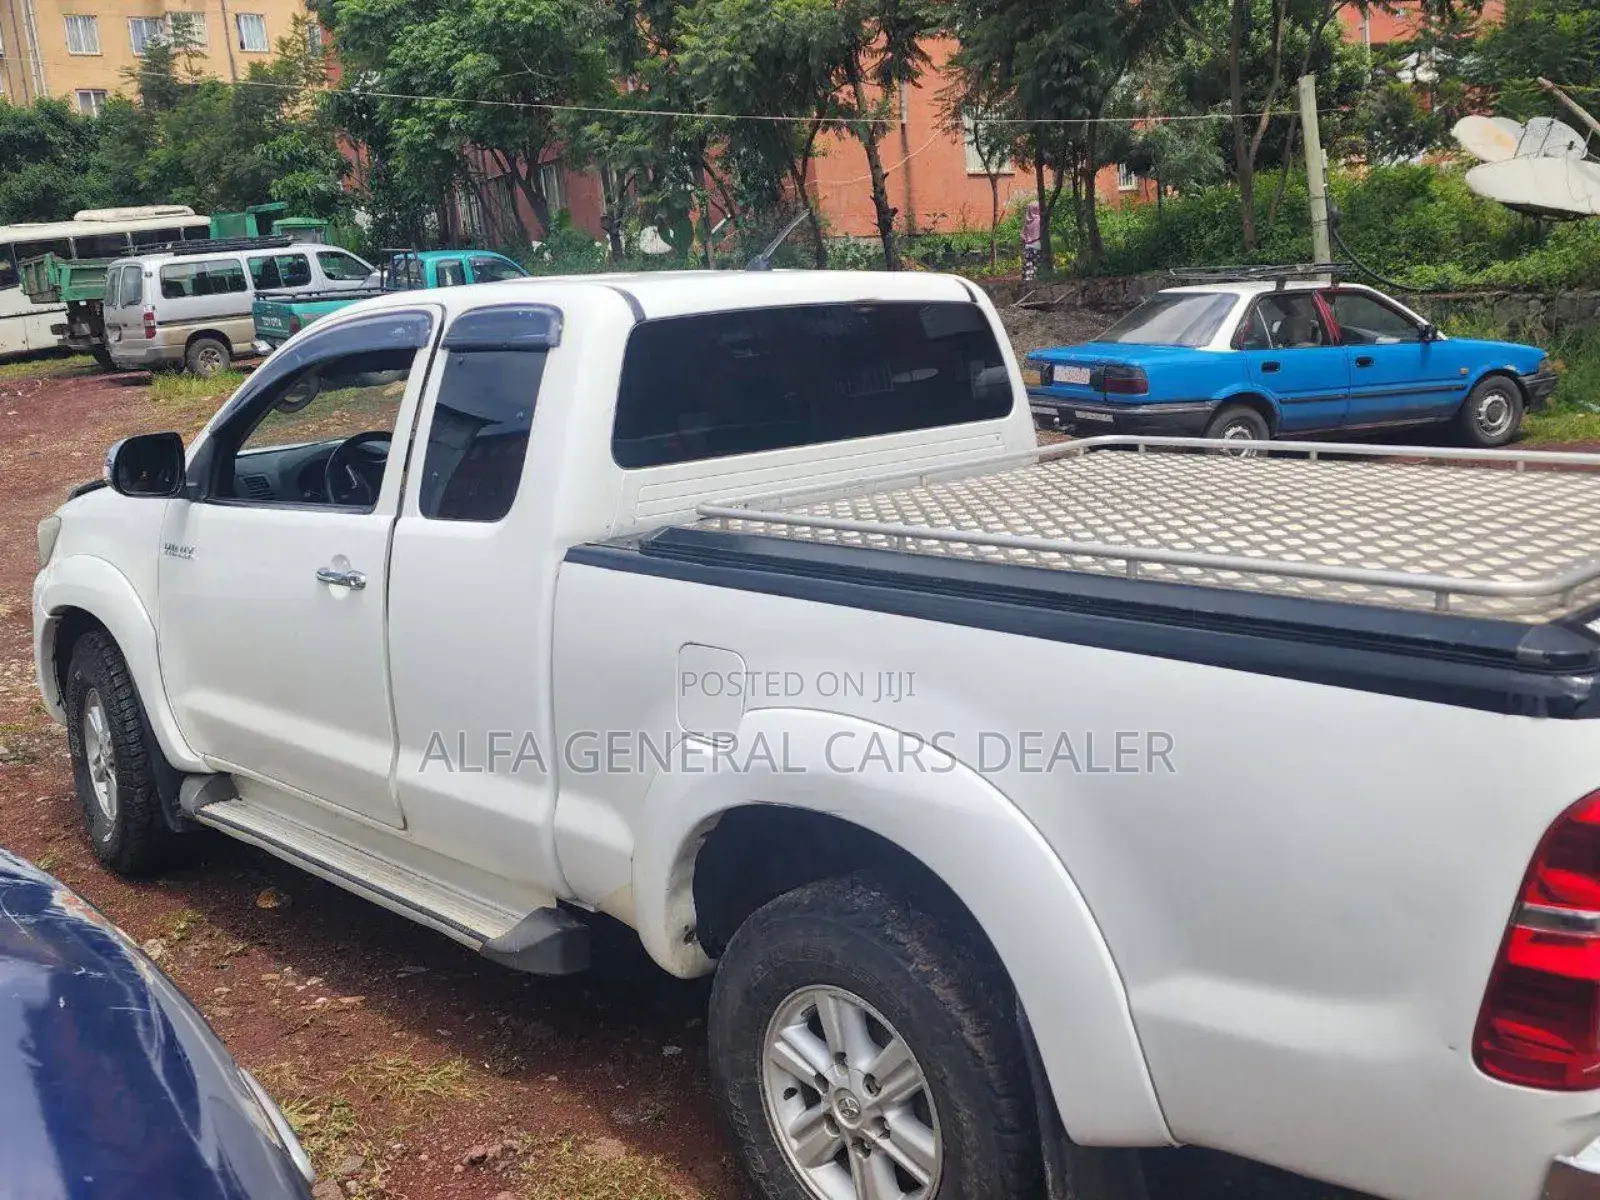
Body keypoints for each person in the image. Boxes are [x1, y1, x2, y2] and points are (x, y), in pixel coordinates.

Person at [1021, 201, 1041, 281]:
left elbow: (1022, 235)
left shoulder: (1027, 221)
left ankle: (1028, 281)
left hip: (1027, 246)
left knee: (1028, 265)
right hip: (1037, 245)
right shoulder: (1040, 220)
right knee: (1037, 264)